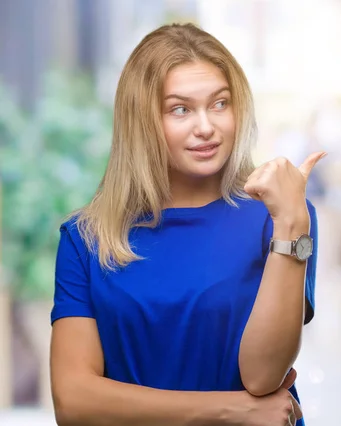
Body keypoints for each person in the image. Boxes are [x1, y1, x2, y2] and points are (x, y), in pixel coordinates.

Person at [50, 23, 323, 426]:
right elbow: (73, 401)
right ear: (142, 121)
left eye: (220, 103)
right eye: (180, 109)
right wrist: (231, 411)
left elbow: (263, 375)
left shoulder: (279, 218)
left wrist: (292, 223)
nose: (206, 127)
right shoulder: (87, 238)